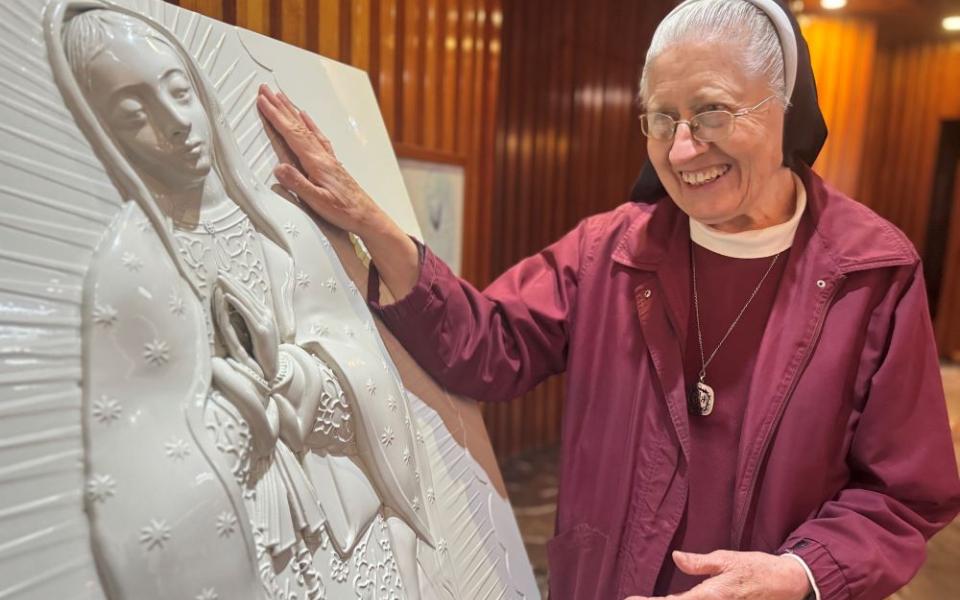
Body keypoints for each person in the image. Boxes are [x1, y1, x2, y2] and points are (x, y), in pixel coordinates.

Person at [258, 0, 960, 598]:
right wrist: (374, 225)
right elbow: (488, 345)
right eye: (660, 119)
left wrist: (802, 572)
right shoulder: (611, 251)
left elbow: (904, 493)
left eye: (711, 112)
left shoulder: (870, 274)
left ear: (784, 107)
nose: (683, 150)